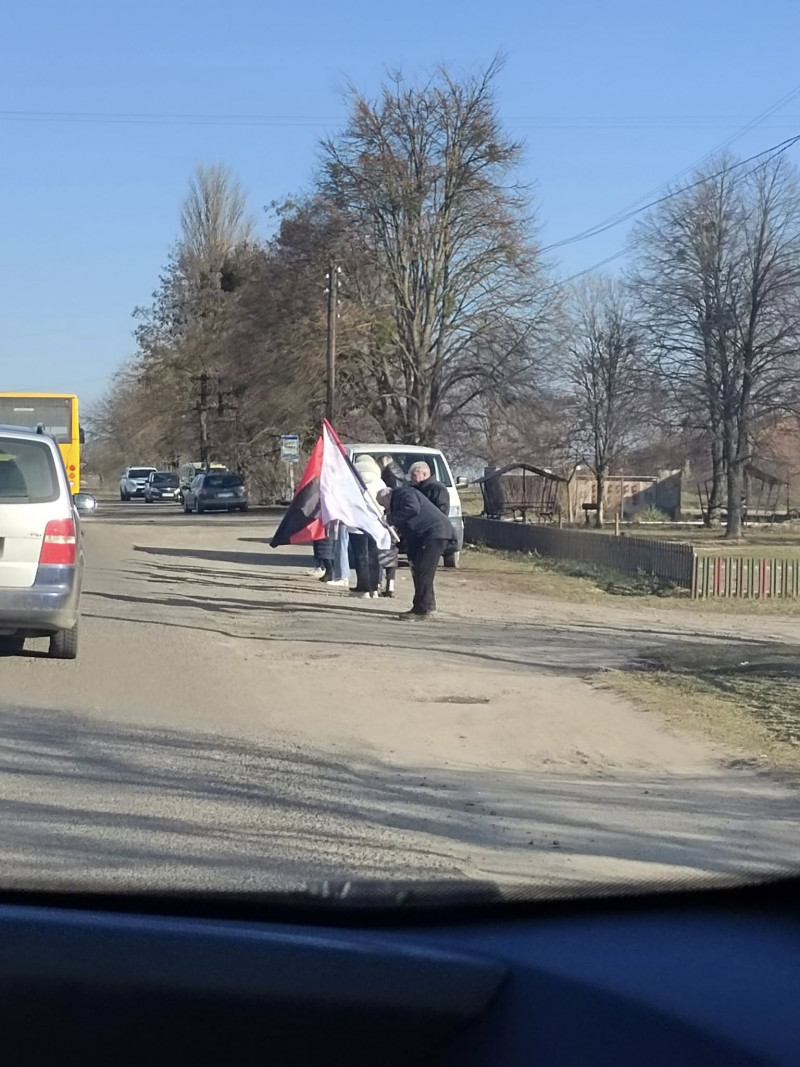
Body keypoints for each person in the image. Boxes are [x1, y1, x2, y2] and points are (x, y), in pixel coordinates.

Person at [378, 468, 454, 620]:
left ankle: (421, 609)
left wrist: (391, 519)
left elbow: (412, 508)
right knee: (421, 570)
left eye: (386, 507)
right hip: (431, 534)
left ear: (388, 499)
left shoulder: (403, 494)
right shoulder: (404, 496)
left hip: (433, 534)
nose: (388, 510)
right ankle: (427, 606)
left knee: (423, 572)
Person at [348, 456, 384, 597]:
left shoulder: (353, 482)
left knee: (360, 556)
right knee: (374, 556)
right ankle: (374, 588)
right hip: (375, 524)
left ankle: (363, 587)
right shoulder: (380, 482)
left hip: (357, 525)